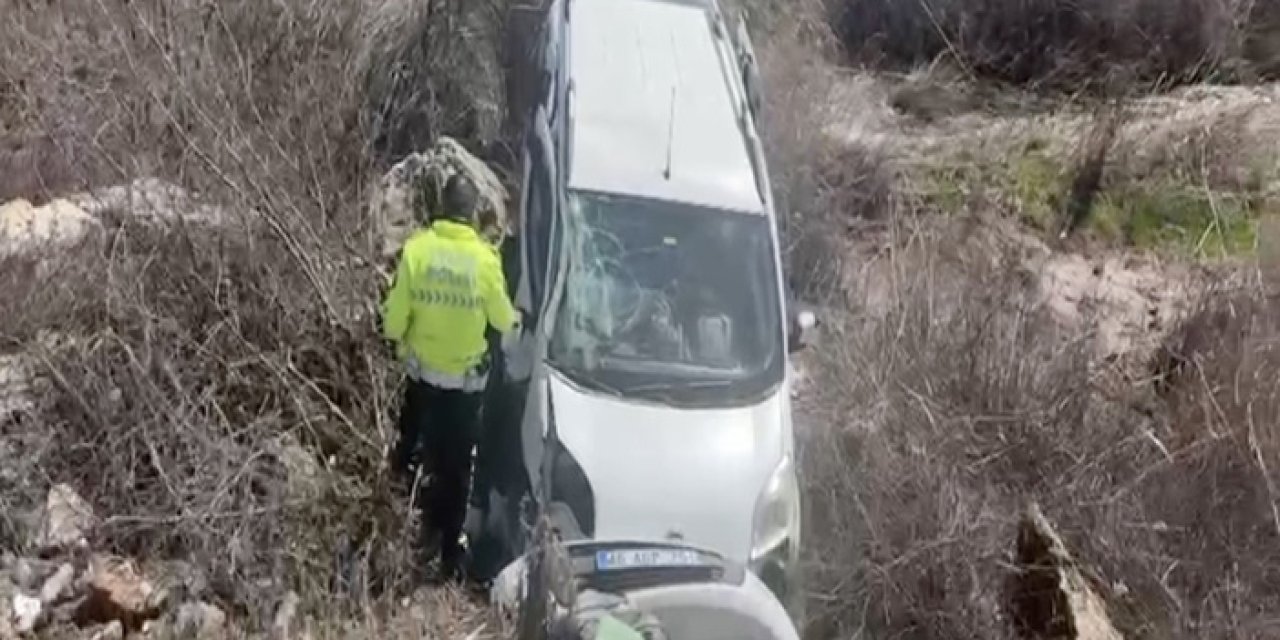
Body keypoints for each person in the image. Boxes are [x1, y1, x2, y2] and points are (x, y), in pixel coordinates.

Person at [381, 172, 518, 581]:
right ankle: (446, 554)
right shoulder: (484, 260)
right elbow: (503, 320)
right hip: (464, 391)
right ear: (473, 214)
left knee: (411, 460)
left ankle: (395, 534)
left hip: (421, 384)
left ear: (441, 207)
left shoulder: (417, 251)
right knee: (456, 472)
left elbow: (391, 324)